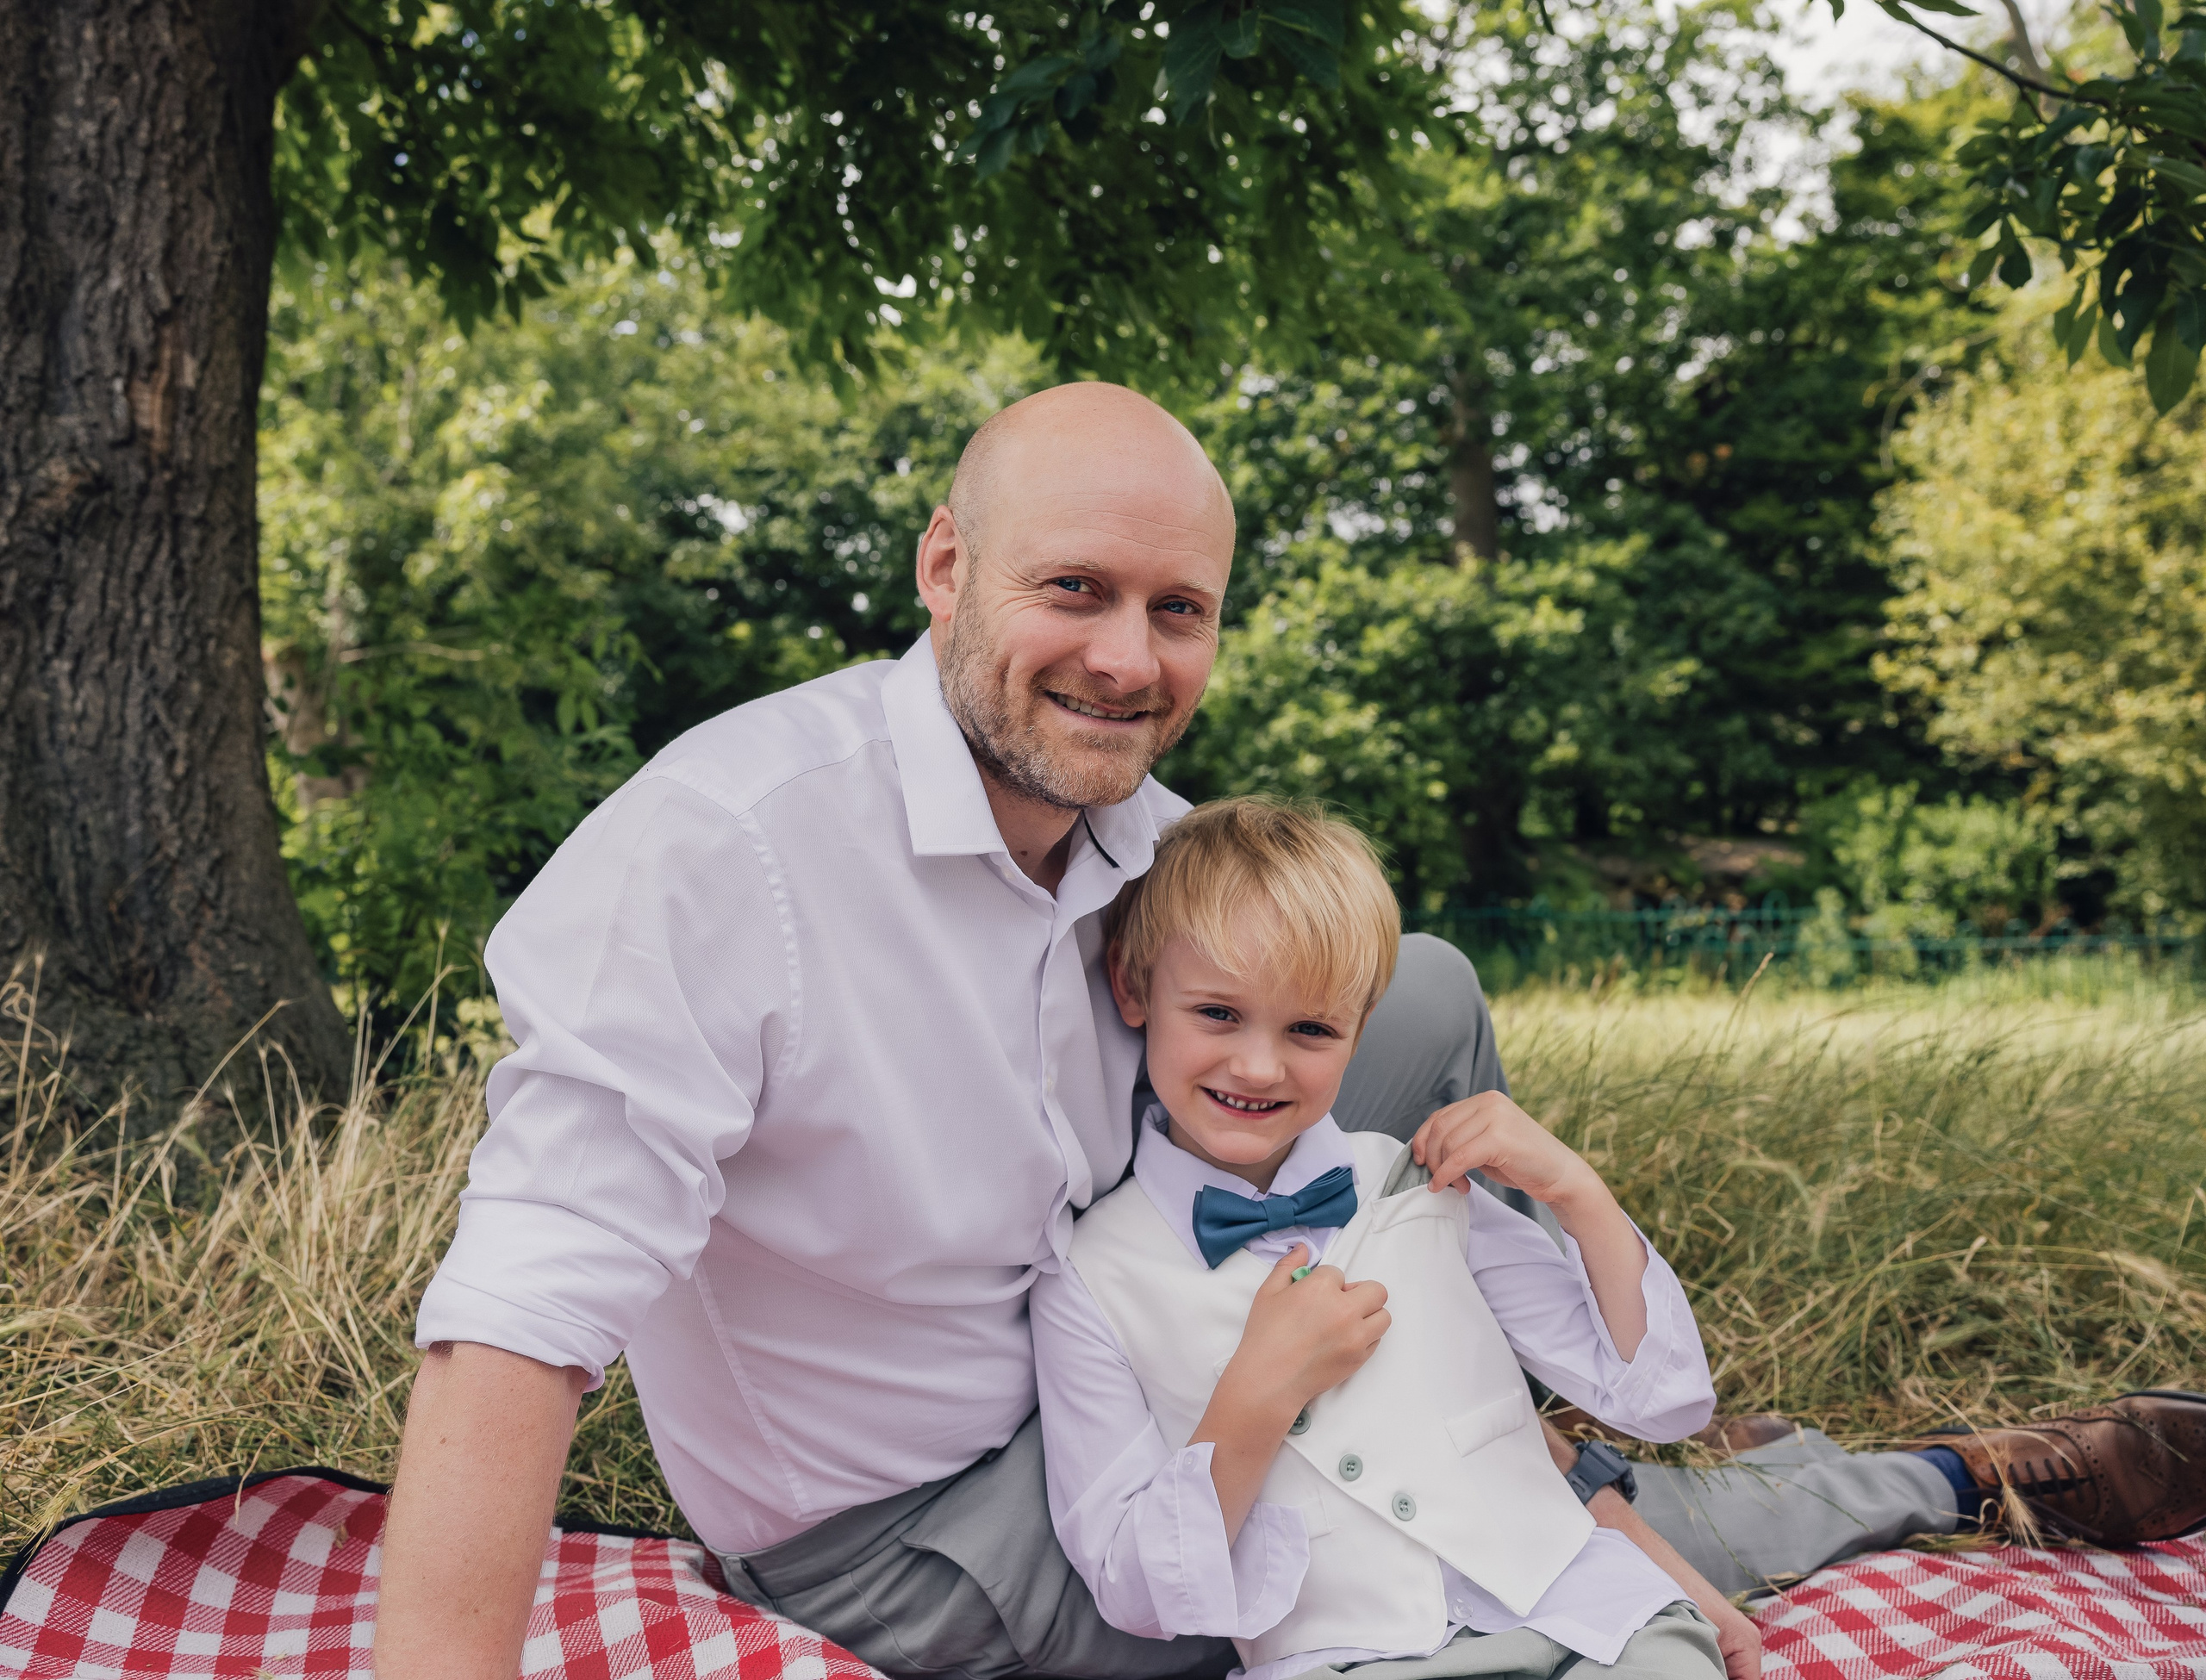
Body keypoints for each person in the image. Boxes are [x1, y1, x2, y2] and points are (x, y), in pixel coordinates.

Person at [374, 380, 2206, 1680]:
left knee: (1401, 996)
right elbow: (521, 1307)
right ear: (942, 570)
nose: (1126, 659)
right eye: (1070, 590)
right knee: (1429, 1565)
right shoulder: (728, 850)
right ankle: (1951, 1481)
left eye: (1178, 612)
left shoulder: (1141, 849)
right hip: (931, 1514)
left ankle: (1566, 1443)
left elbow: (1307, 1058)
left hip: (1147, 1317)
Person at [1034, 796, 1726, 1680]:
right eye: (1216, 1013)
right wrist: (1252, 1397)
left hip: (1584, 1618)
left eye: (1310, 1029)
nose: (1258, 1065)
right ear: (1132, 987)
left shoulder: (1420, 1186)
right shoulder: (1088, 1277)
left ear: (1359, 1027)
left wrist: (1576, 1192)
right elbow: (1134, 1588)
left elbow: (1658, 1402)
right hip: (1344, 1657)